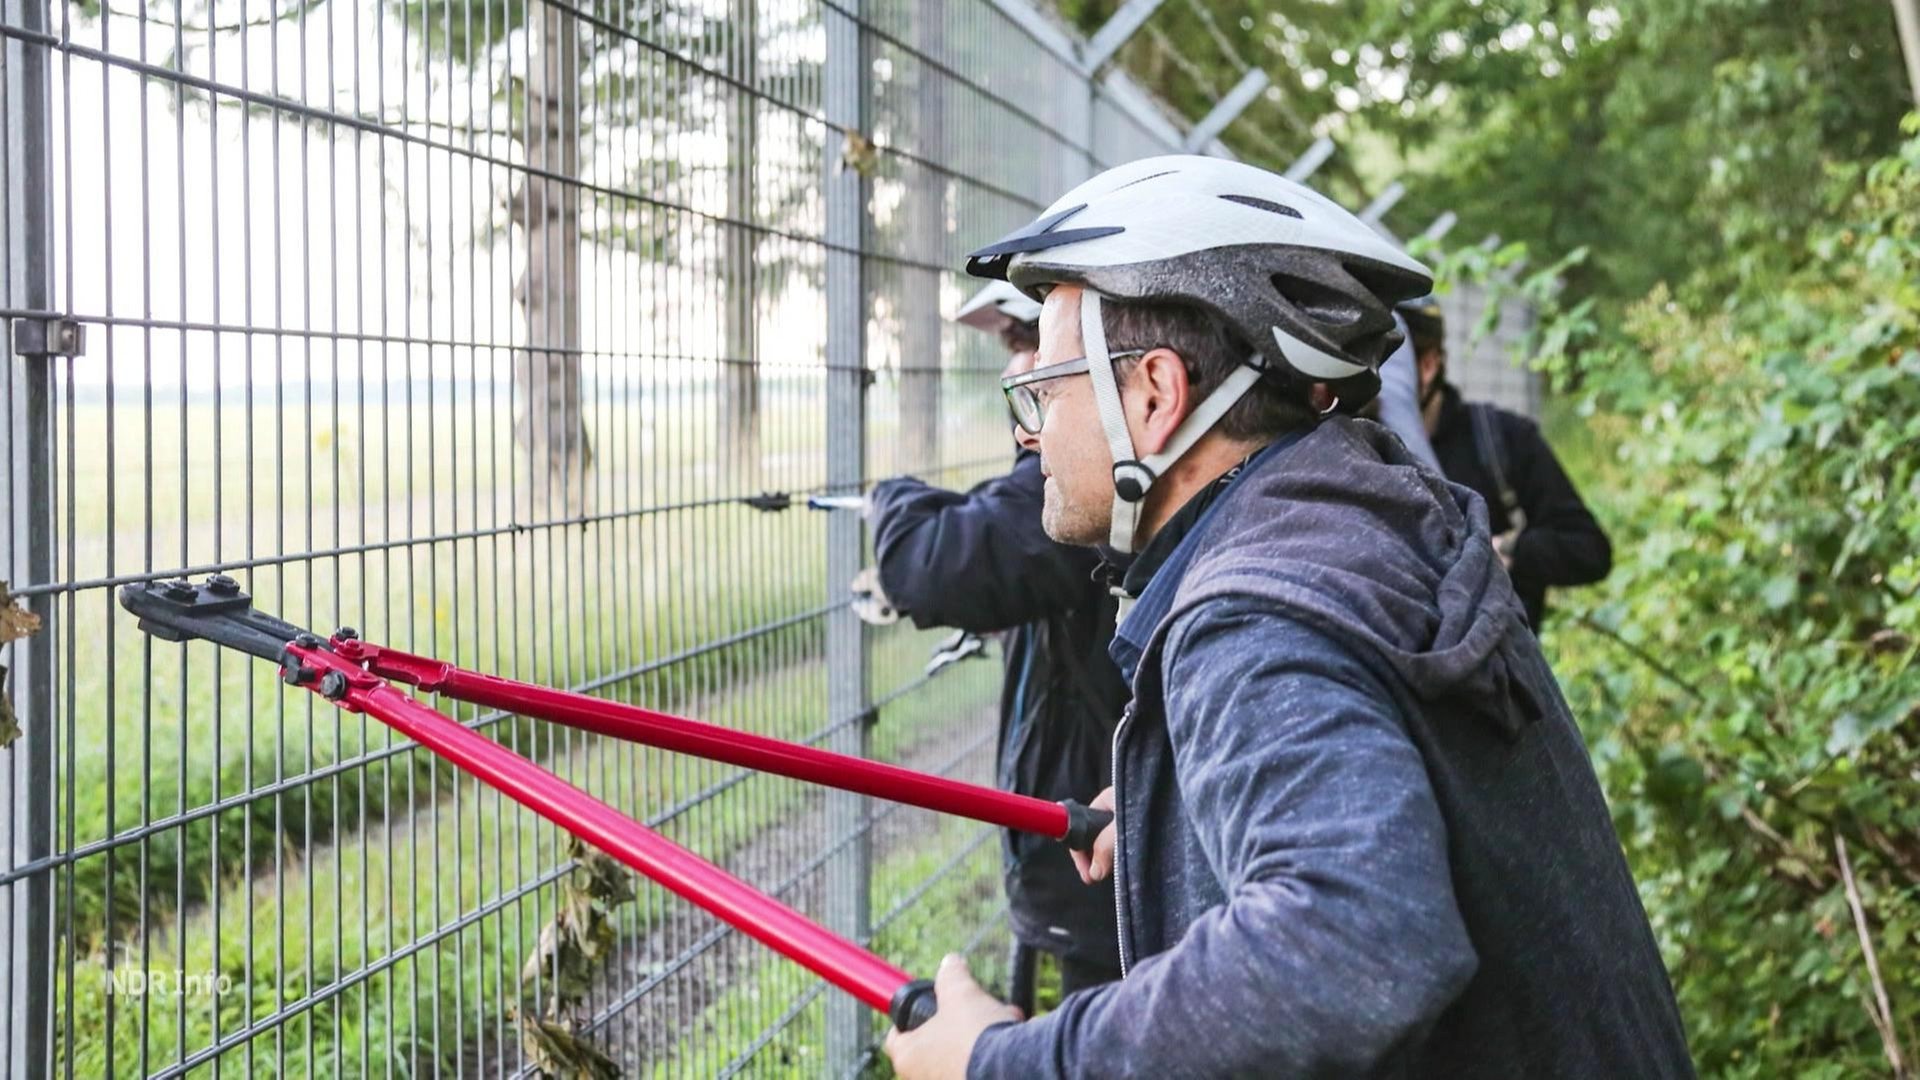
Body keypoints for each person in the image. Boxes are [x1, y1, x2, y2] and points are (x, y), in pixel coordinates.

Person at [884, 155, 1693, 1079]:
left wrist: (1000, 1062)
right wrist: (1179, 812)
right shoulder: (1360, 523)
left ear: (1153, 394)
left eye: (1047, 391)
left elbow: (1352, 947)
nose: (1030, 432)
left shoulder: (1256, 614)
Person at [862, 279, 1128, 1014]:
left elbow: (940, 558)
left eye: (1027, 348)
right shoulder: (1064, 477)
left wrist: (893, 497)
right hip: (1088, 835)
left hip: (1103, 869)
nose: (1014, 377)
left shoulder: (1096, 487)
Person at [1376, 295, 1612, 629]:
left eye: (1387, 364)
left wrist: (1501, 548)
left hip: (1502, 666)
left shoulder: (1502, 439)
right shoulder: (1367, 450)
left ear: (1427, 367)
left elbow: (1589, 551)